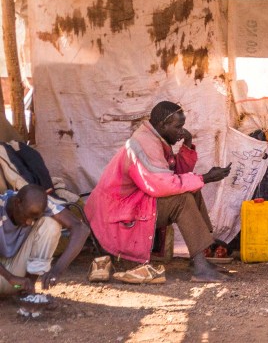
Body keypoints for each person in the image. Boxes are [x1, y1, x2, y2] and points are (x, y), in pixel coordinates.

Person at [85, 101, 232, 283]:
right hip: (117, 212)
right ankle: (201, 267)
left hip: (133, 203)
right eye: (178, 127)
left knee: (192, 189)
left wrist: (187, 144)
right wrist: (205, 178)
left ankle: (201, 257)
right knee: (182, 199)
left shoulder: (156, 138)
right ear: (163, 125)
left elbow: (174, 173)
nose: (181, 131)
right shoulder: (144, 143)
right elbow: (161, 184)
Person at [1, 184, 89, 296]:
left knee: (51, 224)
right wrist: (10, 277)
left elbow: (81, 229)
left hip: (16, 283)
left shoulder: (41, 204)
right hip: (7, 277)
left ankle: (27, 289)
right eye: (26, 216)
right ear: (17, 203)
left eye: (34, 219)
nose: (29, 222)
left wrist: (57, 270)